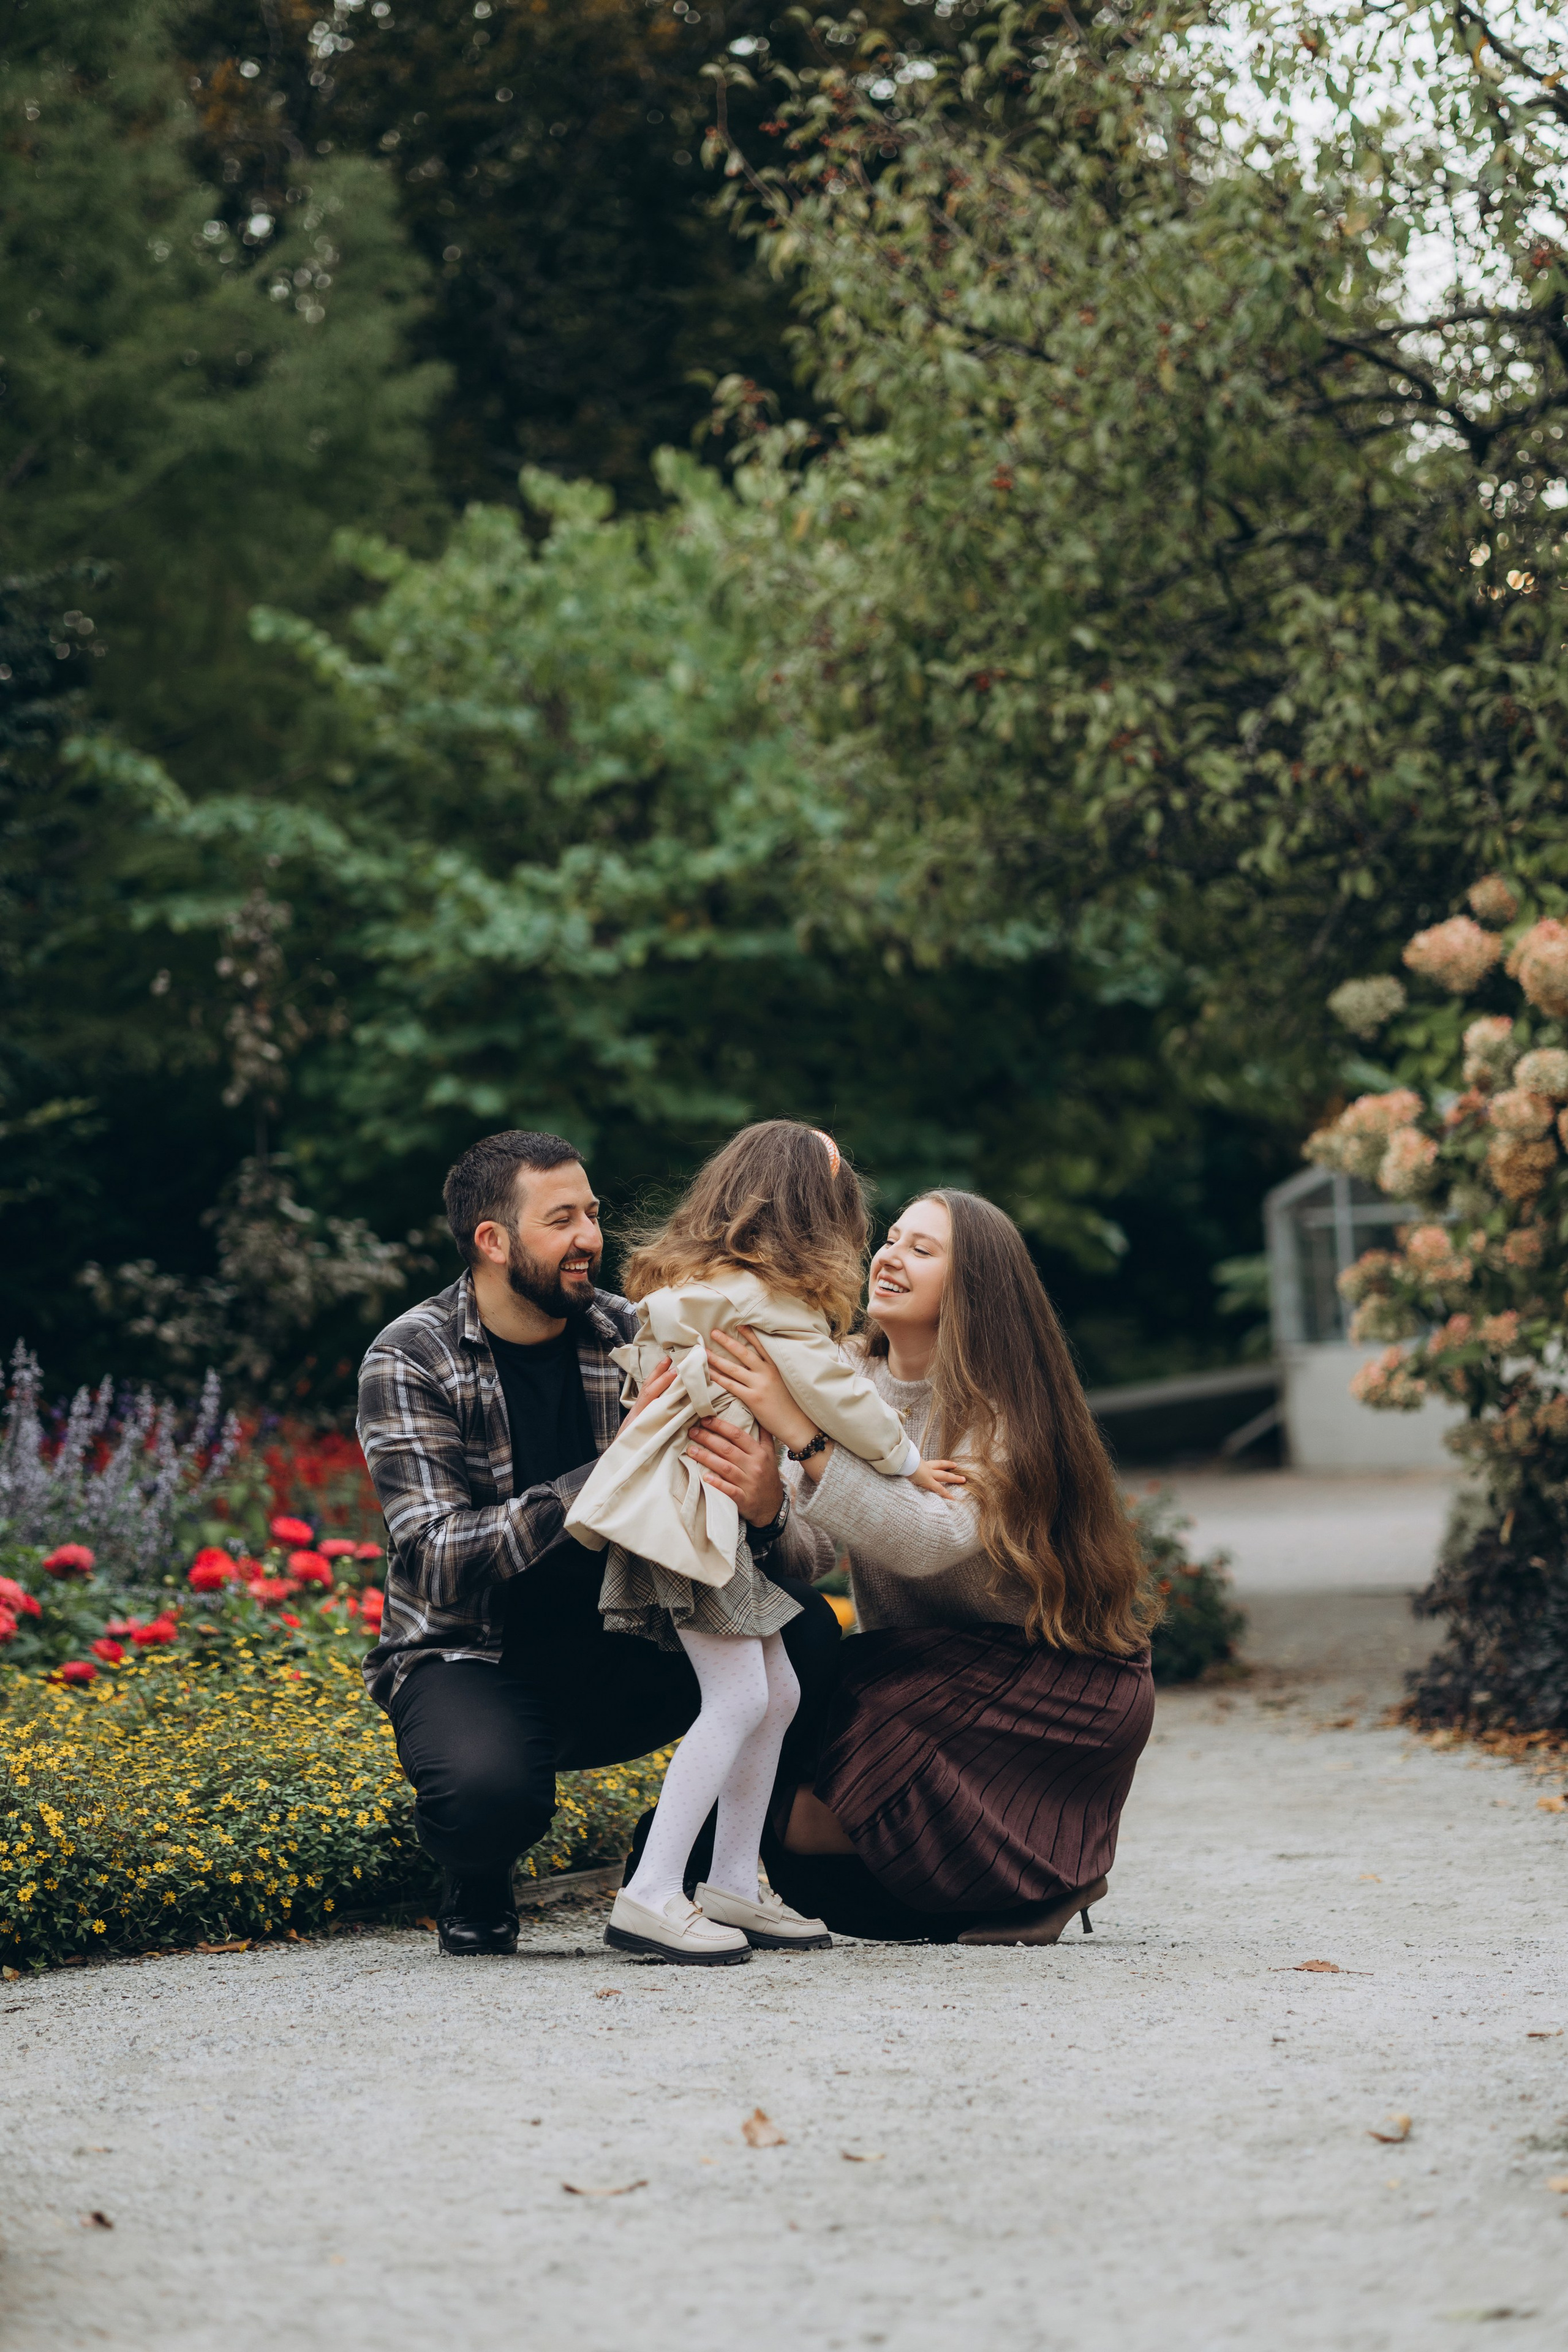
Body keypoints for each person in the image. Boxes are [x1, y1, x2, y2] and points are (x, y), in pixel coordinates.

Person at [355, 1128, 842, 1958]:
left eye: (593, 1212)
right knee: (485, 1795)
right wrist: (605, 1472)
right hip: (477, 1654)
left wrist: (765, 1507)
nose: (591, 1237)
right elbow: (436, 1559)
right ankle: (476, 1880)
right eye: (563, 1219)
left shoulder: (628, 1330)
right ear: (492, 1241)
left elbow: (753, 1538)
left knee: (809, 1641)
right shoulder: (412, 1357)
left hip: (625, 1631)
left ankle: (683, 1876)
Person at [687, 1188, 1158, 1945]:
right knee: (803, 1858)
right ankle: (1026, 1882)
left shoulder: (1007, 1411)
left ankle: (1051, 1875)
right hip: (915, 1671)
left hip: (1051, 1684)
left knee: (809, 1824)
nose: (889, 1256)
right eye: (892, 1237)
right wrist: (768, 1503)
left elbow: (928, 1538)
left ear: (971, 1288)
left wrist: (802, 1442)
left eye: (921, 1249)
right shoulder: (842, 1372)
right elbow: (813, 1554)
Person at [567, 1120, 960, 1964]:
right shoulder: (772, 1304)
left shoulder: (697, 1286)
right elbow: (838, 1396)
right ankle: (652, 1892)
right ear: (815, 1215)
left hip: (691, 1516)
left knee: (774, 1693)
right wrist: (909, 1462)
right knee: (742, 1698)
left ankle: (735, 1883)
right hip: (695, 1523)